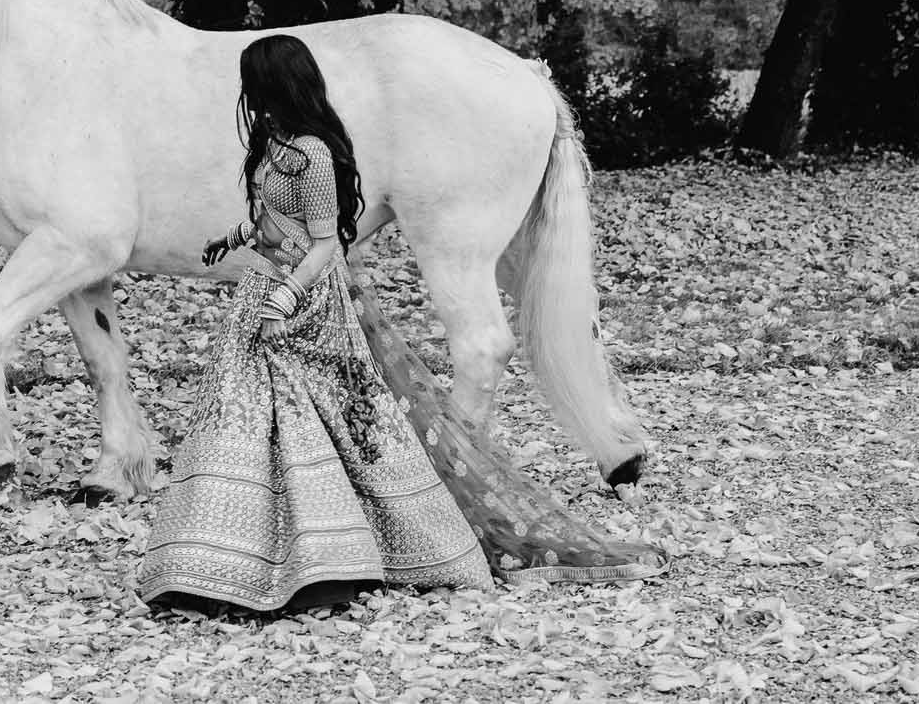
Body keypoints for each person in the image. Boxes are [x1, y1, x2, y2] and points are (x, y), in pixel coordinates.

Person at [135, 34, 665, 612]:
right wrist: (232, 240)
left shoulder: (312, 154)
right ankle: (226, 554)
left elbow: (322, 243)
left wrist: (288, 293)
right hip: (263, 288)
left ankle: (327, 556)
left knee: (307, 415)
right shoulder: (272, 145)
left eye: (252, 83)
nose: (244, 95)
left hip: (302, 296)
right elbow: (270, 221)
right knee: (247, 412)